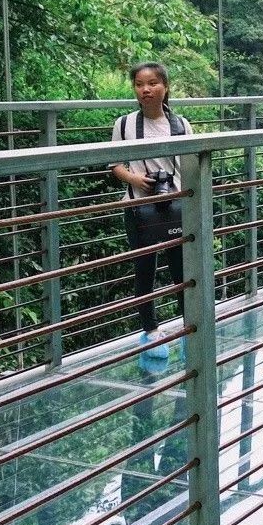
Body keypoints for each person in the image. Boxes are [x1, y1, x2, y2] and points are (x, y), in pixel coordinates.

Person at [110, 62, 192, 358]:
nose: (146, 89)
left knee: (182, 270)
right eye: (140, 84)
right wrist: (135, 179)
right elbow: (115, 164)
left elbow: (191, 168)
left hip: (175, 207)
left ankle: (188, 327)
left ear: (165, 87)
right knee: (144, 269)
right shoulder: (124, 124)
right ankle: (151, 330)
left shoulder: (181, 125)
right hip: (137, 207)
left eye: (153, 83)